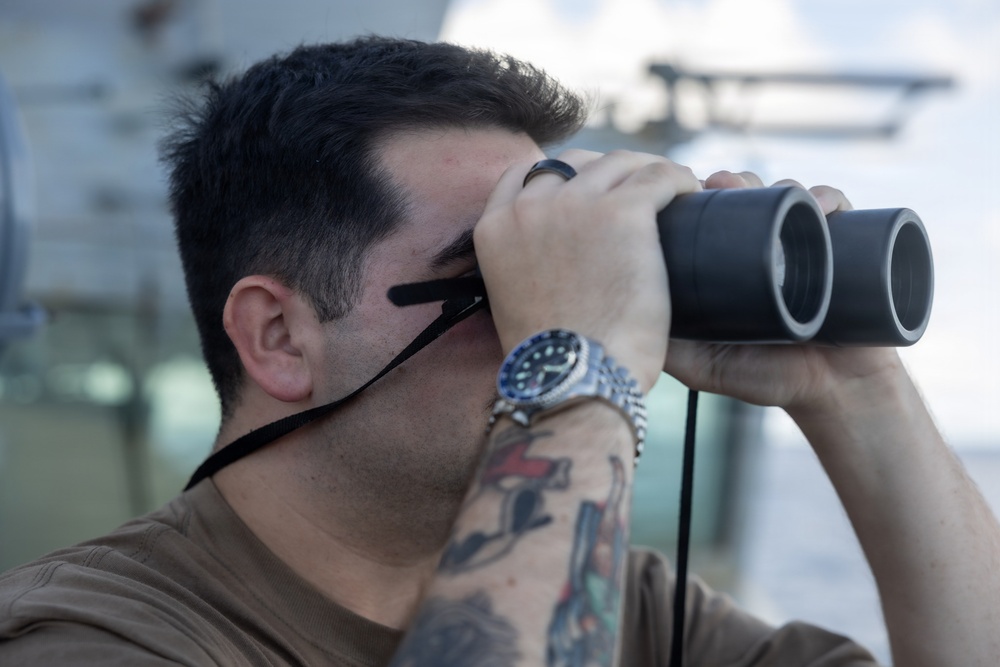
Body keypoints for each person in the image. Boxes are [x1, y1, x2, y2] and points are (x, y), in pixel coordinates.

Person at [0, 36, 997, 667]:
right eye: (501, 274)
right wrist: (582, 364)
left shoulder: (632, 608)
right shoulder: (93, 637)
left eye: (552, 266)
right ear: (279, 335)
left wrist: (855, 388)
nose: (547, 311)